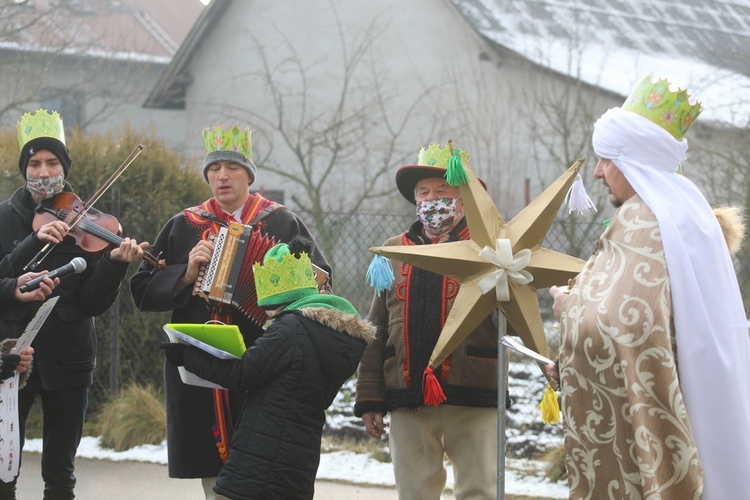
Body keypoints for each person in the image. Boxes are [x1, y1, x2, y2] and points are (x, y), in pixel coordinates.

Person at [548, 75, 750, 499]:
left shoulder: (645, 220)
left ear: (633, 161)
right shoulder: (689, 211)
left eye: (606, 160)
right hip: (707, 398)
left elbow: (628, 323)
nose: (599, 172)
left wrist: (568, 307)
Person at [129, 125, 332, 499]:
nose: (222, 175)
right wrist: (186, 274)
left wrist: (282, 294)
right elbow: (141, 290)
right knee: (215, 478)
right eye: (214, 168)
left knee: (266, 462)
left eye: (232, 167)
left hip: (263, 362)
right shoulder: (182, 225)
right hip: (201, 365)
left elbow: (320, 286)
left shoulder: (281, 222)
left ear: (249, 175)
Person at [0, 109, 147, 499]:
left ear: (64, 167)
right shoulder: (3, 217)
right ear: (24, 168)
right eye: (34, 163)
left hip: (71, 358)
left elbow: (92, 303)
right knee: (3, 469)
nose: (44, 172)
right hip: (12, 357)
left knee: (61, 475)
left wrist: (114, 265)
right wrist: (33, 242)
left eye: (52, 162)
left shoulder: (87, 220)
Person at [159, 236, 373, 500]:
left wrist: (186, 356)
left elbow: (242, 374)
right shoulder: (331, 335)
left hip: (264, 454)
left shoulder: (290, 328)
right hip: (299, 455)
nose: (268, 317)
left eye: (269, 310)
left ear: (279, 301)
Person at [355, 143, 502, 500]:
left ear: (464, 199)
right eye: (424, 192)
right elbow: (375, 327)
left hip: (474, 395)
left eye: (443, 191)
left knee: (479, 490)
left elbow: (511, 315)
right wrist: (370, 397)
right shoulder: (393, 250)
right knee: (414, 492)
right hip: (407, 397)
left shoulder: (491, 248)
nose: (432, 199)